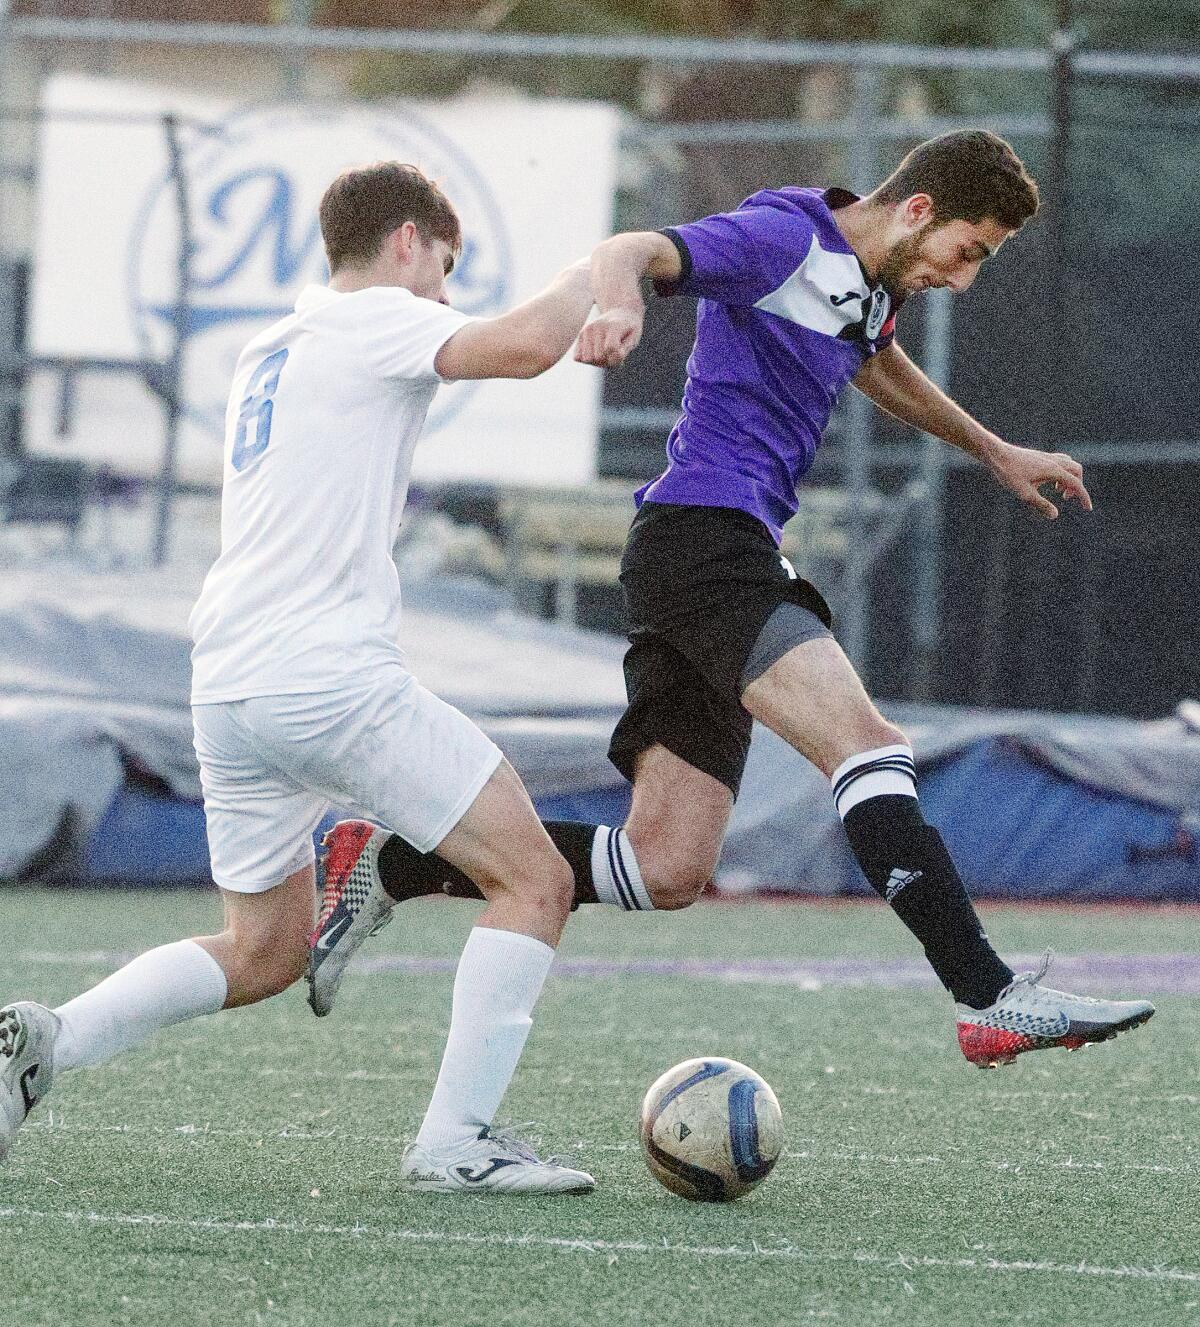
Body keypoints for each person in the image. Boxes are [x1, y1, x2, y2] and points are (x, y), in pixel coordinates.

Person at [306, 132, 1154, 1069]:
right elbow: (629, 250)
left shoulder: (874, 285)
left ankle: (384, 862)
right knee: (869, 746)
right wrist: (622, 305)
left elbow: (871, 358)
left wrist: (994, 449)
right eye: (970, 252)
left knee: (664, 867)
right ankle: (989, 995)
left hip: (699, 553)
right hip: (705, 541)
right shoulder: (781, 238)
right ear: (918, 210)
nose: (964, 279)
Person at [0, 161, 598, 1194]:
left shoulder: (272, 343)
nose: (446, 297)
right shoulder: (373, 317)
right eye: (444, 269)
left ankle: (49, 1040)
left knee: (266, 946)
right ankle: (456, 1142)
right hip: (324, 678)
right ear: (407, 242)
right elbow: (534, 344)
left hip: (229, 681)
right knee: (535, 878)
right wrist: (609, 263)